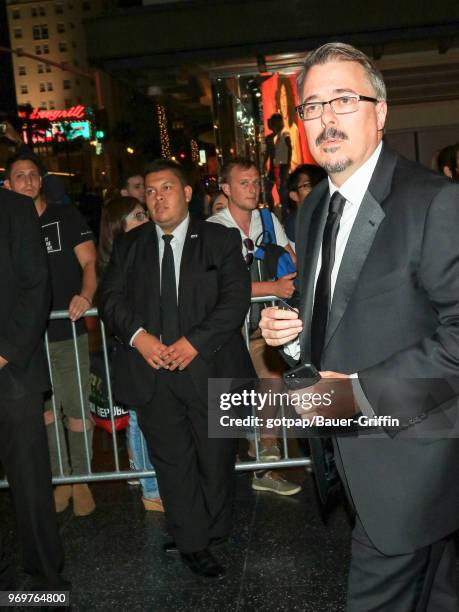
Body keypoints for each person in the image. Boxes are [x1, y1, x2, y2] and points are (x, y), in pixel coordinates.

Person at [260, 42, 459, 611]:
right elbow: (327, 303)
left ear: (381, 111)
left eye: (343, 100)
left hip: (411, 462)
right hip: (352, 460)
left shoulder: (435, 202)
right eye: (313, 106)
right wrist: (292, 330)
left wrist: (357, 394)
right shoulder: (315, 206)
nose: (326, 119)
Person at [99, 159, 254, 579]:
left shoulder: (220, 239)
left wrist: (193, 344)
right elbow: (109, 298)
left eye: (166, 188)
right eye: (150, 191)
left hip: (211, 369)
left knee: (216, 459)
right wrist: (141, 338)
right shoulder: (131, 246)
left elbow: (235, 300)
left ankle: (210, 528)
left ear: (187, 193)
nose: (157, 197)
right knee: (173, 463)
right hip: (154, 375)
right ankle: (193, 541)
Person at [4, 151, 98, 518]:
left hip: (65, 331)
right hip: (25, 342)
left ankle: (82, 481)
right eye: (19, 176)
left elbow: (90, 262)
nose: (27, 181)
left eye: (32, 175)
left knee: (75, 409)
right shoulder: (7, 225)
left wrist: (85, 295)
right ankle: (59, 479)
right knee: (43, 414)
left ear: (41, 180)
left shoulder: (65, 216)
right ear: (7, 185)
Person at [208, 157, 301, 497]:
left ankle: (267, 454)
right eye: (243, 183)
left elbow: (290, 263)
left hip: (263, 323)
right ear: (226, 189)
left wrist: (286, 282)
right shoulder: (213, 228)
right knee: (229, 400)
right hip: (227, 329)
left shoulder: (268, 219)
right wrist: (272, 288)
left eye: (255, 182)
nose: (252, 189)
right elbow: (216, 288)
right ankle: (244, 468)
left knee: (271, 379)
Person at [0, 188, 67, 590]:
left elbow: (36, 286)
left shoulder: (15, 209)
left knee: (29, 483)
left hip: (12, 373)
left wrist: (5, 352)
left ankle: (46, 580)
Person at [97, 196, 163, 512]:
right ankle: (150, 488)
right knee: (138, 417)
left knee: (150, 415)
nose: (145, 218)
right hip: (133, 349)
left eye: (144, 213)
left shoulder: (150, 250)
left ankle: (147, 478)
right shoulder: (117, 263)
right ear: (117, 227)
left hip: (154, 348)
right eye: (137, 215)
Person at [284, 164, 327, 245]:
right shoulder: (287, 235)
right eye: (307, 185)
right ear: (294, 195)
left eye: (320, 184)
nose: (316, 189)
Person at [276, 76, 302, 171]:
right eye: (282, 97)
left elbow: (299, 163)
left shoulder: (294, 129)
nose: (284, 102)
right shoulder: (277, 135)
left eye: (286, 96)